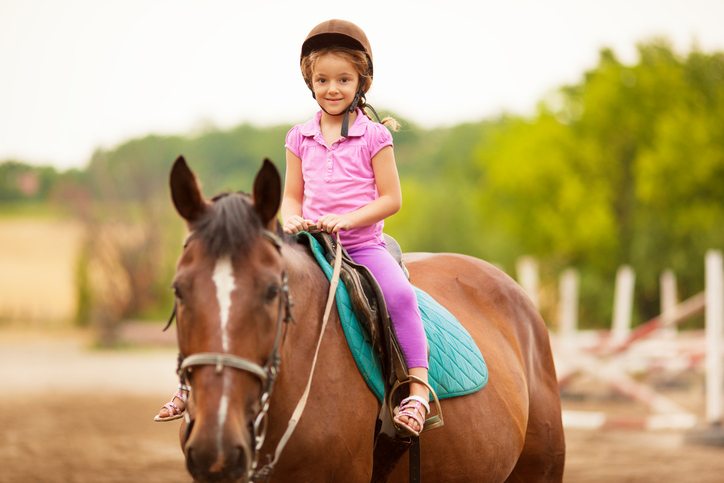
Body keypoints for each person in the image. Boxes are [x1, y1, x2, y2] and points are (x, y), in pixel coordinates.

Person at [281, 19, 430, 437]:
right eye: (323, 79)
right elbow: (291, 194)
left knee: (399, 295)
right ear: (310, 81)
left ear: (360, 81)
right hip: (310, 244)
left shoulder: (374, 136)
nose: (333, 88)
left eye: (343, 79)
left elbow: (391, 199)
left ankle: (418, 388)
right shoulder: (298, 137)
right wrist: (290, 216)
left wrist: (348, 219)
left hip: (361, 246)